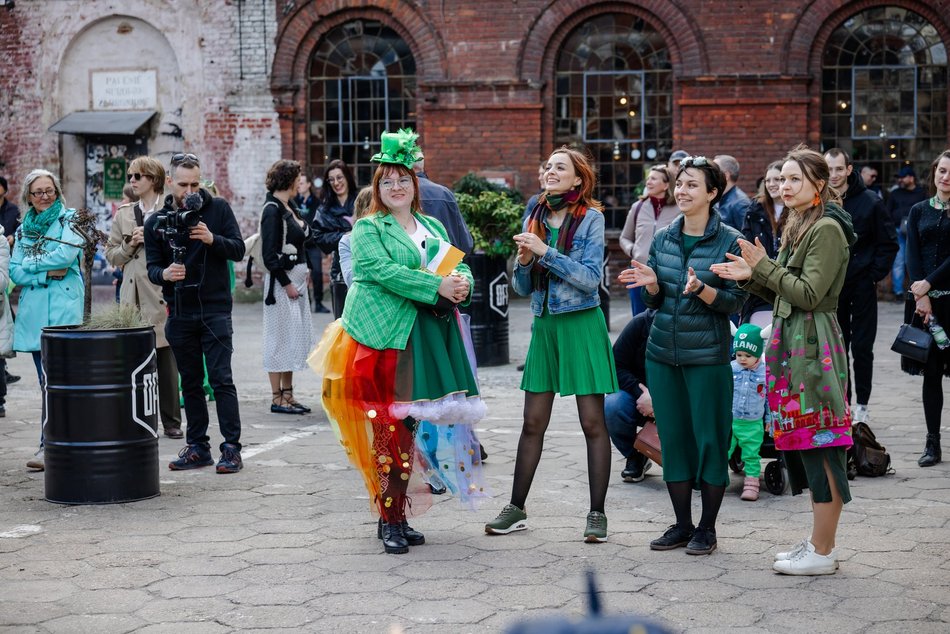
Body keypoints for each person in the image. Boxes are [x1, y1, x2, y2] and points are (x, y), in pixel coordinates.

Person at [311, 128, 485, 555]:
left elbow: (456, 263)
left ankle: (394, 515)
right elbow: (381, 272)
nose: (395, 187)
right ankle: (390, 518)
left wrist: (462, 284)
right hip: (383, 338)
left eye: (402, 179)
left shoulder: (431, 224)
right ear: (377, 188)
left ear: (414, 183)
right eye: (387, 181)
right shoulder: (368, 228)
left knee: (407, 429)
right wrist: (436, 286)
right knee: (389, 433)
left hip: (423, 337)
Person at [712, 145, 855, 575]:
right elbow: (785, 289)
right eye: (782, 179)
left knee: (823, 445)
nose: (784, 186)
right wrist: (753, 275)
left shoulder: (826, 227)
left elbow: (809, 294)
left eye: (795, 179)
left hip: (814, 345)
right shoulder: (803, 221)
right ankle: (818, 542)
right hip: (796, 342)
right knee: (809, 444)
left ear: (819, 184)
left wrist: (763, 267)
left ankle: (823, 551)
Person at [485, 146, 617, 543]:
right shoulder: (535, 214)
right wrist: (525, 262)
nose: (551, 172)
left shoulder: (591, 218)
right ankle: (516, 508)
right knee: (532, 422)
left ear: (578, 178)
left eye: (560, 167)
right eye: (548, 166)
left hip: (581, 324)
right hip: (545, 326)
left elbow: (590, 280)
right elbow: (522, 286)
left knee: (592, 422)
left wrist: (546, 252)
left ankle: (597, 513)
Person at [619, 156, 745, 556]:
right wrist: (653, 286)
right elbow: (655, 302)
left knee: (710, 440)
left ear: (712, 192)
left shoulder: (729, 241)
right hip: (662, 355)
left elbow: (736, 302)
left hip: (707, 356)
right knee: (673, 440)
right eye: (680, 184)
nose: (682, 191)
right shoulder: (663, 237)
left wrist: (703, 291)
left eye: (692, 185)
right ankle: (682, 524)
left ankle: (707, 529)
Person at [145, 152, 246, 474]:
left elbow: (238, 249)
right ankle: (198, 447)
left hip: (215, 309)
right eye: (183, 184)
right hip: (179, 311)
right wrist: (165, 274)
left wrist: (212, 239)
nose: (190, 191)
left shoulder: (218, 209)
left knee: (221, 379)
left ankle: (231, 448)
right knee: (189, 382)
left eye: (195, 184)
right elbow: (152, 268)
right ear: (170, 181)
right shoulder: (156, 222)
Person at [10, 169, 85, 471]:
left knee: (65, 380)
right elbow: (15, 272)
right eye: (38, 192)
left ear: (57, 192)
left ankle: (69, 442)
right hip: (35, 313)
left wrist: (31, 264)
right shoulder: (23, 230)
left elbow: (65, 256)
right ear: (28, 197)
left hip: (65, 309)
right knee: (46, 382)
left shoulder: (70, 219)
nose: (45, 197)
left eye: (49, 191)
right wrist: (43, 273)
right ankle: (49, 445)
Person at [105, 156, 183, 439]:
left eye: (138, 176)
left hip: (160, 292)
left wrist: (152, 236)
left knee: (165, 360)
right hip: (131, 295)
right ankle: (138, 419)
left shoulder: (170, 210)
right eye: (130, 176)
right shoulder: (124, 214)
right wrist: (131, 242)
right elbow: (111, 254)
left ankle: (171, 421)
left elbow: (180, 247)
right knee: (133, 362)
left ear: (153, 178)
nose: (132, 181)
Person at [824, 148, 898, 424]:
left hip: (862, 285)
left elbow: (888, 243)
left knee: (863, 348)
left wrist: (873, 275)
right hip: (831, 287)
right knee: (837, 347)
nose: (833, 175)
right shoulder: (820, 201)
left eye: (838, 169)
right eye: (829, 169)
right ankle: (843, 402)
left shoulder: (870, 202)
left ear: (849, 169)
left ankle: (862, 406)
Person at [903, 149, 950, 468]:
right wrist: (921, 295)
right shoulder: (919, 210)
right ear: (934, 172)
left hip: (949, 300)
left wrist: (928, 284)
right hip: (925, 306)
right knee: (931, 374)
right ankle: (932, 443)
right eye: (942, 170)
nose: (946, 177)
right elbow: (912, 252)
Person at [260, 159, 316, 415]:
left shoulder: (288, 206)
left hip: (297, 282)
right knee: (278, 339)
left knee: (291, 339)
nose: (299, 182)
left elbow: (304, 240)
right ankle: (276, 397)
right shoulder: (271, 210)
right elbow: (269, 255)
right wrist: (287, 283)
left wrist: (305, 272)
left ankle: (288, 394)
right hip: (282, 286)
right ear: (288, 180)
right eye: (297, 178)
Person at [603, 308, 656, 483]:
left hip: (678, 401)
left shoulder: (693, 325)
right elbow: (615, 367)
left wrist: (661, 401)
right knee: (613, 405)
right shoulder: (641, 323)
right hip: (640, 399)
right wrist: (642, 393)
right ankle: (635, 455)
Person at [619, 165, 678, 316]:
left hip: (668, 274)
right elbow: (624, 237)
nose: (648, 182)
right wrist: (633, 250)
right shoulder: (637, 207)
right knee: (639, 319)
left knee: (664, 318)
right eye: (648, 178)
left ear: (666, 185)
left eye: (653, 179)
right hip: (639, 272)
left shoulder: (679, 210)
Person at [740, 161, 786, 326]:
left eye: (777, 179)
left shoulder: (797, 210)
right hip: (759, 283)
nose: (771, 184)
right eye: (768, 180)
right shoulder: (755, 209)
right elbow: (746, 244)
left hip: (785, 282)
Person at [729, 323, 769, 501]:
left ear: (758, 353)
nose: (742, 359)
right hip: (730, 419)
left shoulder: (765, 372)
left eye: (748, 355)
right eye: (739, 355)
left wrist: (770, 419)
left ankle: (752, 484)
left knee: (751, 454)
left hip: (753, 422)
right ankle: (715, 481)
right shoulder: (731, 368)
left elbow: (769, 399)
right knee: (723, 449)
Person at [313, 160, 357, 318]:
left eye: (339, 177)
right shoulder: (325, 209)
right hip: (339, 271)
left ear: (347, 177)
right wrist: (345, 235)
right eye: (331, 179)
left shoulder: (362, 201)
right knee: (342, 321)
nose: (336, 183)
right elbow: (318, 237)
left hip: (366, 269)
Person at [414, 154, 474, 255]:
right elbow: (465, 244)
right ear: (422, 166)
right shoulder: (444, 193)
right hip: (445, 260)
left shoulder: (392, 195)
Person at [886, 165, 928, 301]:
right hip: (898, 231)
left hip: (917, 231)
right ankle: (898, 292)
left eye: (903, 177)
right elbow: (887, 212)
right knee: (899, 261)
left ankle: (917, 289)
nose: (900, 180)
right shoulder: (895, 193)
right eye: (899, 178)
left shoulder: (921, 193)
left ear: (911, 178)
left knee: (916, 260)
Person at [296, 173, 329, 314]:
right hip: (299, 244)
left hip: (313, 243)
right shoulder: (293, 202)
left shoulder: (316, 202)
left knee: (317, 273)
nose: (299, 185)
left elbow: (318, 222)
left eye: (302, 183)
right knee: (301, 274)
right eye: (298, 183)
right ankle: (306, 303)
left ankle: (318, 302)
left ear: (309, 185)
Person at [0, 175, 21, 390]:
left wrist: (12, 237)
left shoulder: (12, 210)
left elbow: (17, 229)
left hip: (7, 262)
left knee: (5, 311)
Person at [713, 154, 751, 230]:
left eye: (714, 171)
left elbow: (746, 234)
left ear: (726, 176)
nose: (710, 175)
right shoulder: (717, 197)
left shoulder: (740, 203)